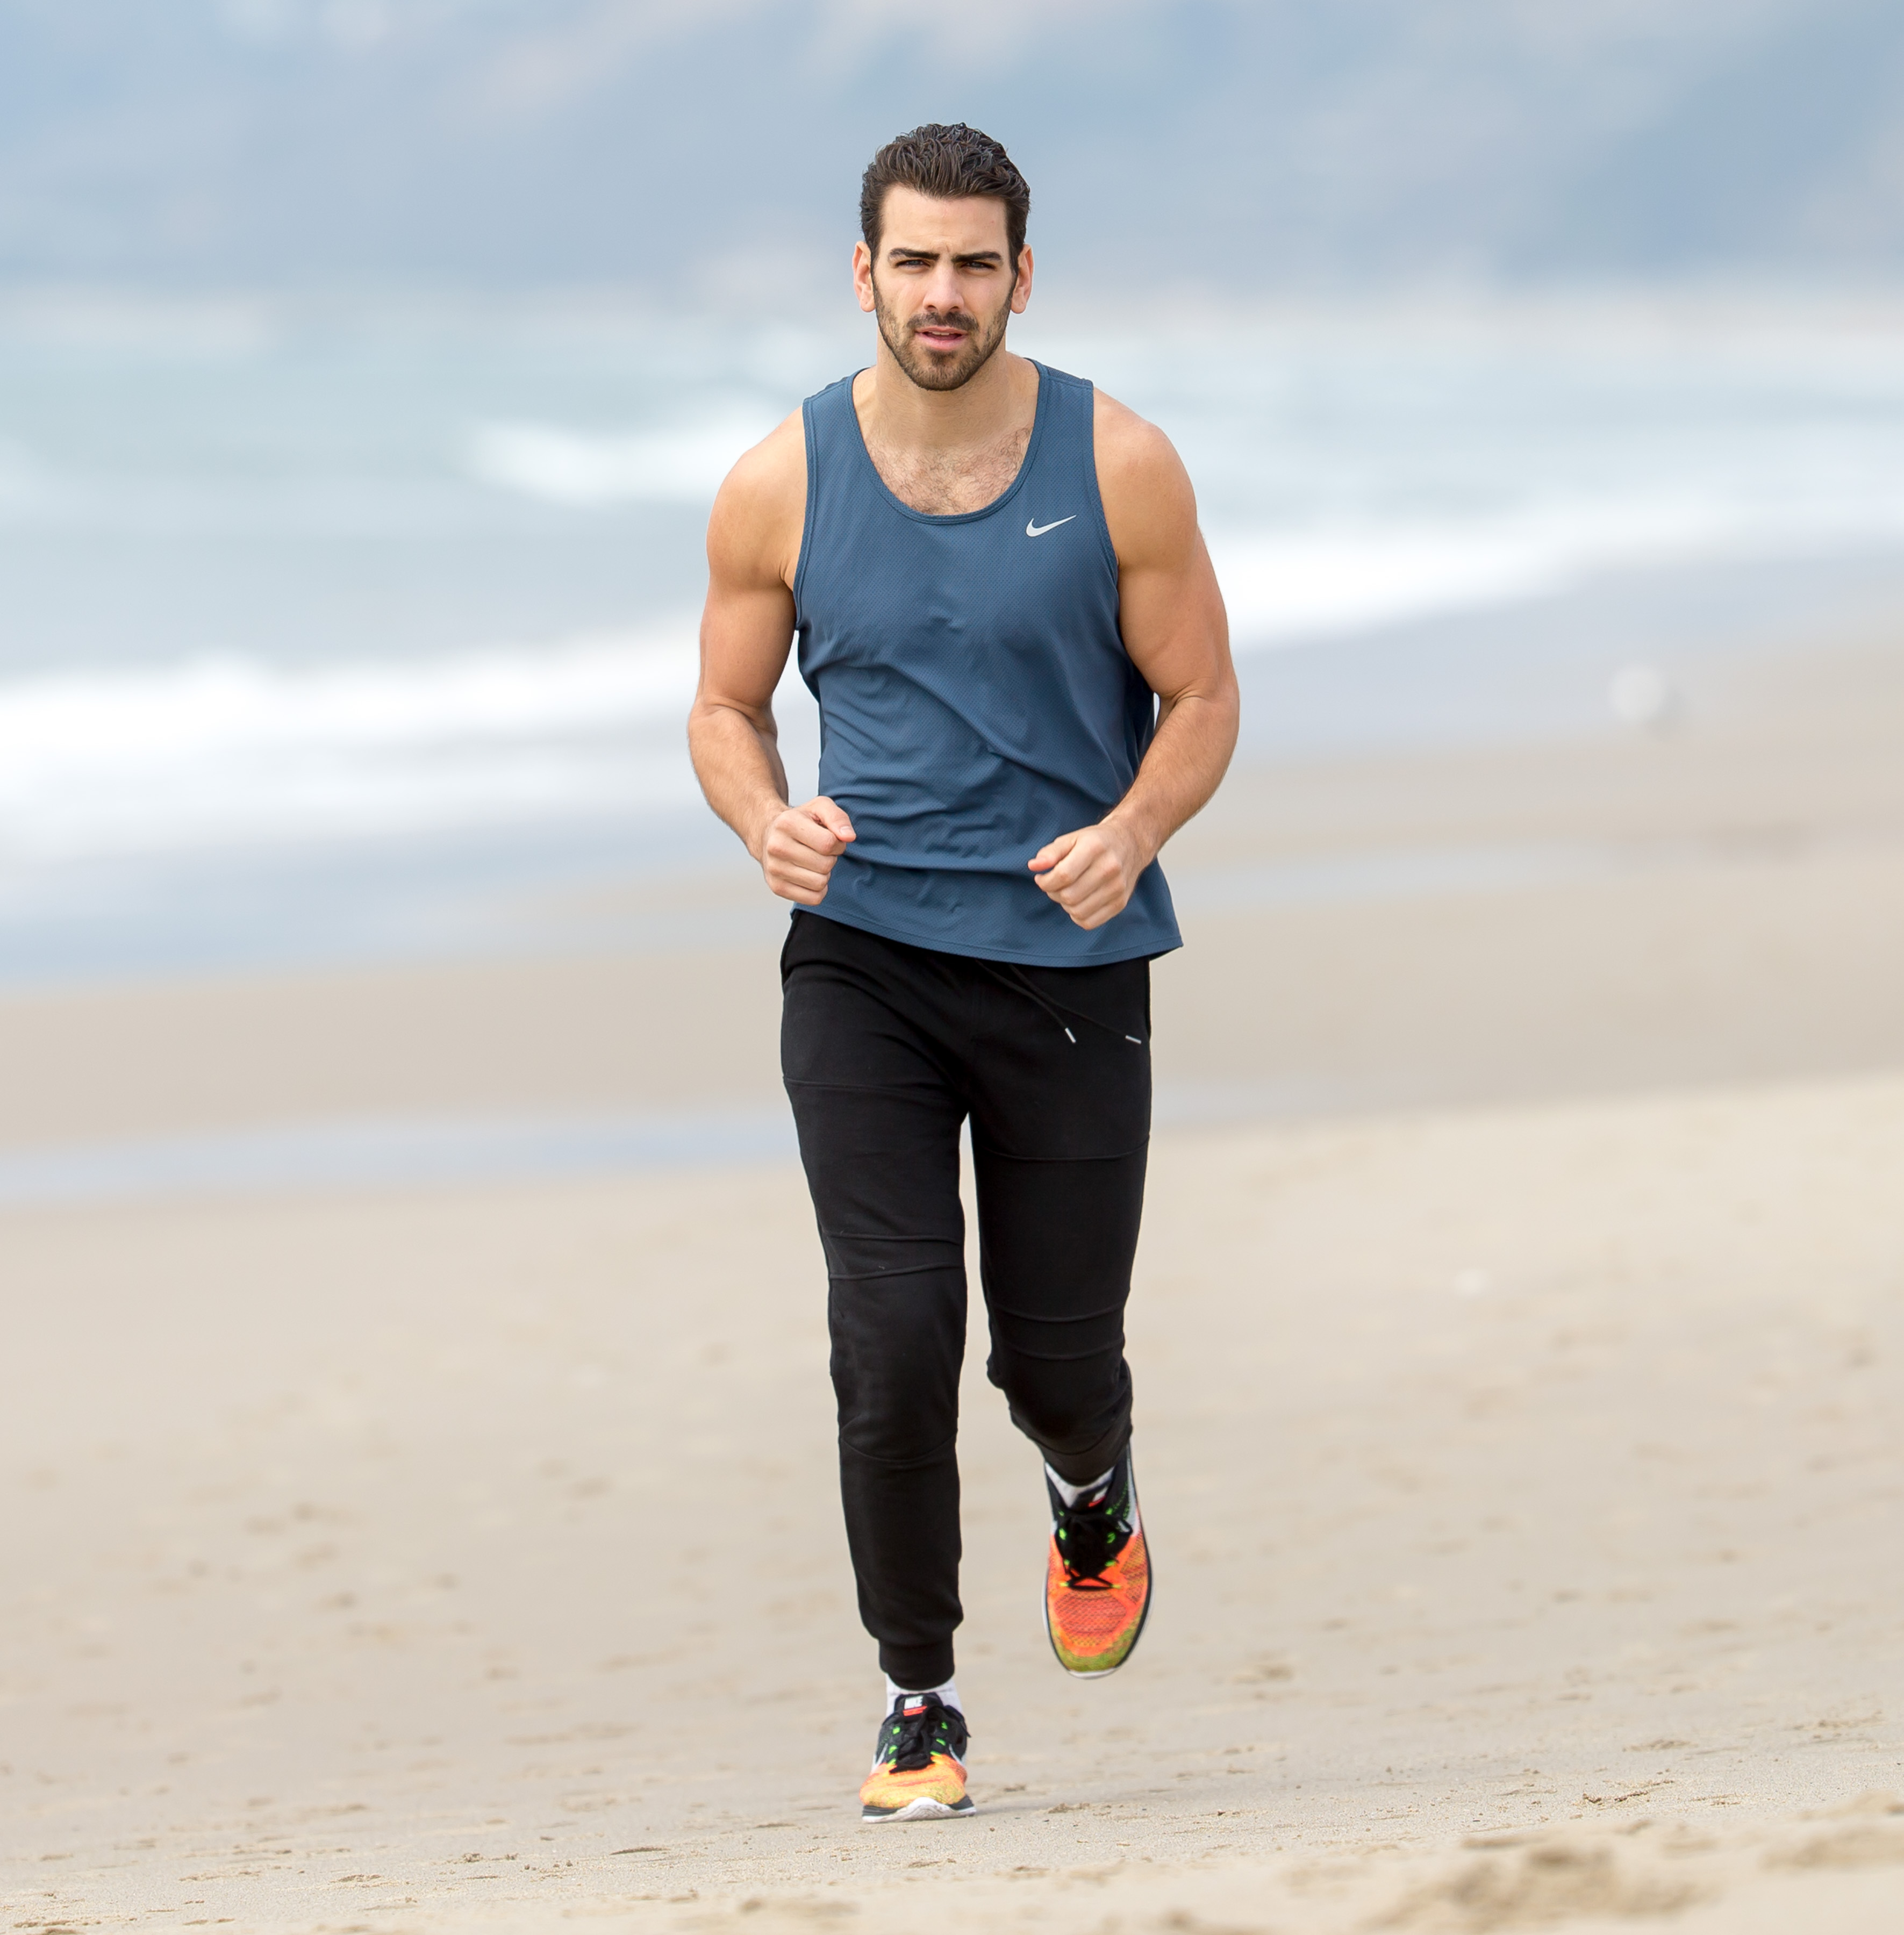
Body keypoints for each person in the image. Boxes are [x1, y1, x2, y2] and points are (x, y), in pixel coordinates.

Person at [688, 122, 1237, 1823]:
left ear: (1019, 277)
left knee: (1052, 1360)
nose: (942, 294)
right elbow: (722, 710)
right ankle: (916, 1696)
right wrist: (765, 820)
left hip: (1068, 962)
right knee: (894, 1325)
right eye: (912, 262)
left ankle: (1092, 1484)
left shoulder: (1121, 461)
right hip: (863, 965)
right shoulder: (779, 480)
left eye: (973, 264)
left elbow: (1204, 702)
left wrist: (1135, 828)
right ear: (864, 274)